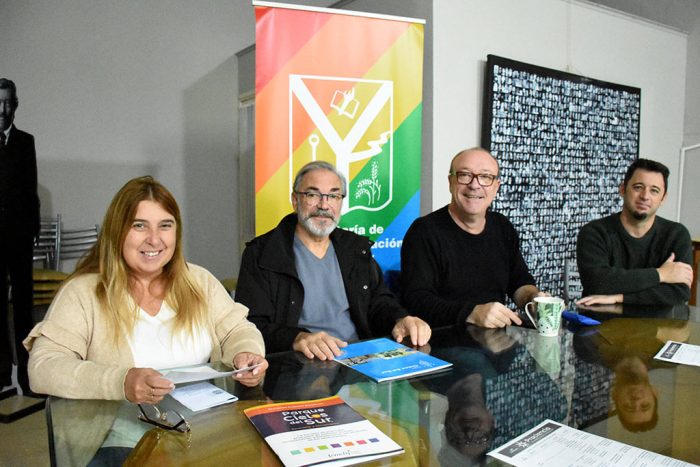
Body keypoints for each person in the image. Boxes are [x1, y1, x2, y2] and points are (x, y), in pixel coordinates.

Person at [23, 176, 267, 463]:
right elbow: (43, 368)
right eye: (139, 225)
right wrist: (121, 381)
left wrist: (246, 352)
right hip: (122, 443)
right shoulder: (83, 292)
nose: (154, 239)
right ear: (117, 230)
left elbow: (237, 329)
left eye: (165, 225)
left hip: (209, 434)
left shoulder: (198, 281)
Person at [235, 161, 431, 360]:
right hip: (301, 363)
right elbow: (250, 325)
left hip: (359, 360)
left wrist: (400, 319)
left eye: (334, 196)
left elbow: (379, 302)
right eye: (312, 195)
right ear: (295, 200)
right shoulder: (262, 254)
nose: (324, 205)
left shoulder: (355, 248)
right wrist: (296, 338)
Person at [400, 147, 545, 329]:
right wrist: (471, 313)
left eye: (485, 177)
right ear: (451, 182)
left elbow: (520, 282)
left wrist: (533, 298)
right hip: (444, 337)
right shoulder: (424, 231)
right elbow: (417, 301)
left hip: (495, 338)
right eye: (465, 175)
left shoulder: (502, 226)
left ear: (496, 187)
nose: (475, 185)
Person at [576, 158, 693, 306]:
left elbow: (679, 293)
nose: (645, 196)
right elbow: (597, 283)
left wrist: (619, 298)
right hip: (600, 319)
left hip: (660, 321)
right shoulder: (594, 232)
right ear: (623, 189)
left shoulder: (676, 234)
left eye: (654, 191)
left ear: (663, 198)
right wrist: (661, 274)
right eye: (638, 187)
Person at [0, 78, 40, 395]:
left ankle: (28, 379)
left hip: (20, 238)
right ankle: (2, 376)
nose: (2, 109)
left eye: (7, 102)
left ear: (15, 104)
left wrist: (33, 230)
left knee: (23, 309)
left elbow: (31, 190)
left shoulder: (26, 142)